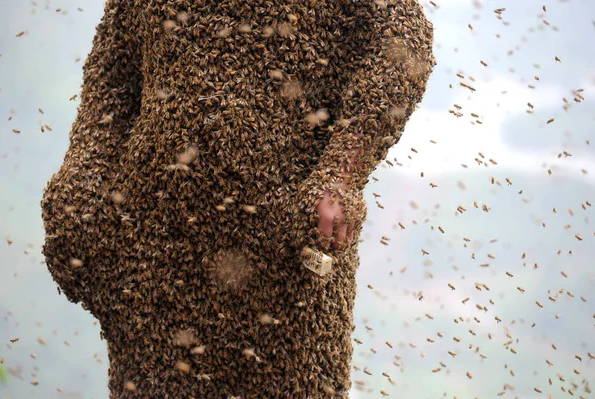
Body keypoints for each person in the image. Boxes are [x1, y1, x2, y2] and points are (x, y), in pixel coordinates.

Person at [41, 0, 435, 397]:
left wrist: (341, 175)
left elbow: (405, 44)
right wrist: (77, 186)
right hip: (152, 254)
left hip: (283, 256)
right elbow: (111, 80)